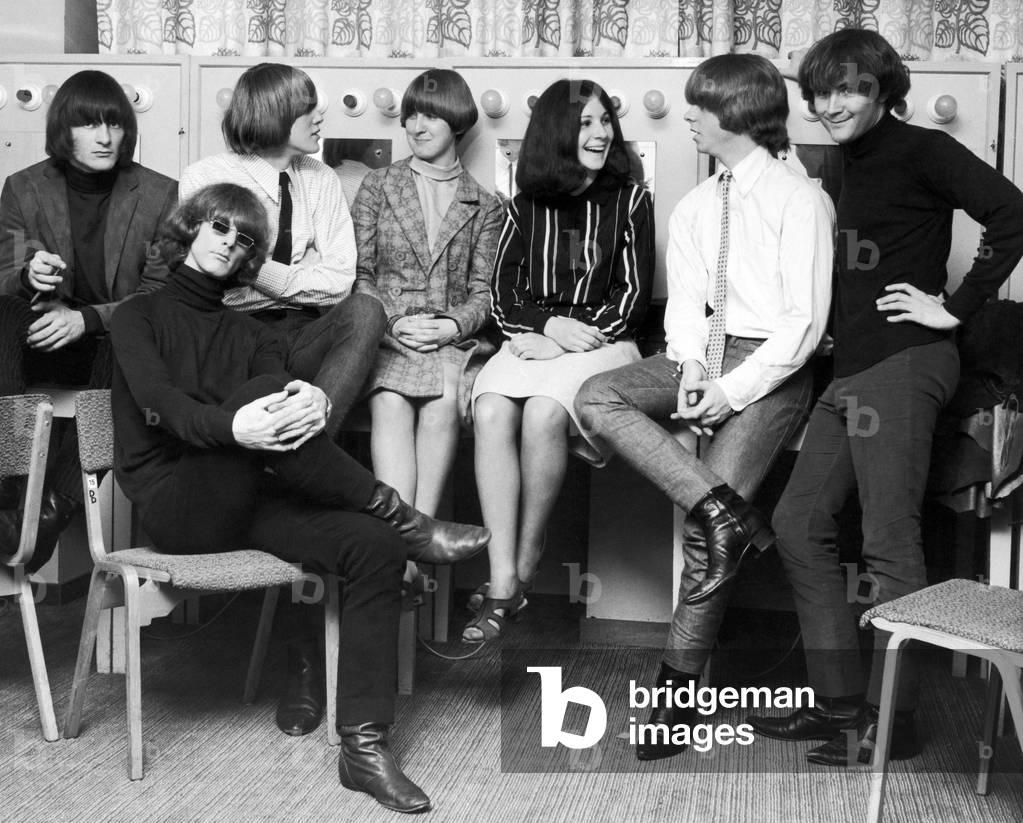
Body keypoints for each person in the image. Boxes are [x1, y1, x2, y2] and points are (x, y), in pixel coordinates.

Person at [110, 183, 490, 813]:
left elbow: (281, 387)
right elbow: (161, 404)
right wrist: (235, 425)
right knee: (264, 388)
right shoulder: (137, 316)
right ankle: (402, 513)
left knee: (372, 546)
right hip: (178, 502)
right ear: (189, 231)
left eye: (244, 239)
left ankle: (364, 749)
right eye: (218, 228)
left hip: (248, 497)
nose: (229, 244)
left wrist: (307, 397)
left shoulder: (246, 330)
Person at [746, 29, 1023, 766]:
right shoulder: (834, 164)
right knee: (798, 522)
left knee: (888, 540)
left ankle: (889, 723)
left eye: (852, 89)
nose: (833, 103)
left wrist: (956, 306)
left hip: (905, 363)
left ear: (881, 92)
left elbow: (1012, 211)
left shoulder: (924, 149)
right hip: (850, 372)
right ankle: (841, 705)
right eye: (823, 91)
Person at [575, 54, 835, 761]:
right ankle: (727, 512)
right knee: (598, 396)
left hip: (772, 367)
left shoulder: (798, 199)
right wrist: (690, 370)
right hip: (707, 353)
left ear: (737, 111)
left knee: (698, 537)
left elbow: (802, 326)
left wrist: (725, 390)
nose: (686, 115)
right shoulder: (695, 205)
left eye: (699, 105)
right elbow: (686, 306)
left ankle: (676, 696)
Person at [178, 63, 387, 738]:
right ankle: (300, 663)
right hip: (234, 346)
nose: (322, 119)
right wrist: (284, 278)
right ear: (272, 111)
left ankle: (310, 425)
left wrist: (264, 276)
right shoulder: (207, 174)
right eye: (308, 108)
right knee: (306, 500)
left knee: (364, 311)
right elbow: (224, 276)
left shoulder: (320, 178)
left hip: (302, 346)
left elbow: (339, 281)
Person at [462, 78, 654, 643]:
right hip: (532, 335)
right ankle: (502, 581)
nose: (599, 133)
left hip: (605, 341)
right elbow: (503, 294)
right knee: (493, 408)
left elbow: (633, 298)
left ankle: (527, 558)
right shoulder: (525, 206)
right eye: (585, 122)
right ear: (556, 132)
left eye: (604, 122)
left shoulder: (633, 201)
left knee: (545, 410)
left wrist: (573, 338)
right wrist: (547, 328)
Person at [0, 70, 176, 569]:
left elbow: (160, 295)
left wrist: (88, 320)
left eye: (115, 125)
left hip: (109, 345)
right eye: (90, 125)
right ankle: (8, 484)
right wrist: (28, 276)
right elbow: (3, 271)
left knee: (131, 341)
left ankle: (49, 513)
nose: (104, 137)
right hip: (39, 338)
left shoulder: (160, 194)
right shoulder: (24, 187)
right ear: (64, 131)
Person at [351, 68, 503, 531]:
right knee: (390, 403)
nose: (416, 126)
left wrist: (453, 326)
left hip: (449, 343)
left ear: (457, 121)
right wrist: (393, 322)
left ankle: (416, 538)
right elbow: (360, 273)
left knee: (441, 407)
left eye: (430, 116)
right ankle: (408, 545)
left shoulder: (487, 204)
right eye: (411, 115)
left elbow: (485, 292)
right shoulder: (378, 186)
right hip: (387, 336)